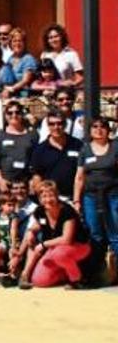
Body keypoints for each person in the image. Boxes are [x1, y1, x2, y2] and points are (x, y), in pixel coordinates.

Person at [17, 181, 90, 289]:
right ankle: (26, 275)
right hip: (55, 248)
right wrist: (30, 232)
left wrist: (43, 244)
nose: (48, 200)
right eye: (44, 196)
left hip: (78, 246)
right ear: (40, 199)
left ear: (57, 196)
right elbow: (36, 226)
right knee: (39, 281)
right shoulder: (40, 211)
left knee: (58, 254)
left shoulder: (67, 210)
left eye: (51, 195)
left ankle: (76, 280)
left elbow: (67, 239)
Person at [72, 116, 118, 273]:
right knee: (95, 232)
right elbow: (79, 177)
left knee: (115, 231)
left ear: (108, 130)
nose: (99, 130)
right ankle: (97, 270)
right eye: (95, 127)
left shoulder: (115, 147)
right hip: (91, 197)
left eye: (102, 126)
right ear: (90, 130)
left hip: (113, 195)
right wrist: (77, 200)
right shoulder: (85, 149)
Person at [30, 110, 84, 199]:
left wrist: (77, 200)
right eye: (52, 124)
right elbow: (37, 177)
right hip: (50, 199)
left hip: (75, 198)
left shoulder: (78, 145)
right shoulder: (40, 150)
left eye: (60, 123)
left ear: (65, 124)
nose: (56, 127)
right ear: (47, 126)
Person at [0, 101, 38, 193]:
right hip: (6, 182)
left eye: (17, 112)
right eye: (10, 113)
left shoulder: (32, 134)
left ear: (22, 114)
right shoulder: (0, 134)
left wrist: (33, 180)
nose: (14, 115)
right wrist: (1, 181)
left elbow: (37, 159)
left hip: (25, 184)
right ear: (5, 115)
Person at [40, 23, 83, 87]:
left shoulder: (71, 54)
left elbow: (80, 77)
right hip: (48, 91)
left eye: (56, 36)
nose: (53, 40)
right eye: (50, 38)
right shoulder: (44, 55)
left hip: (65, 92)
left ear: (62, 37)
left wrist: (72, 84)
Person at [4, 27, 38, 95]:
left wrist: (11, 89)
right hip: (11, 93)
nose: (17, 43)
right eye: (14, 41)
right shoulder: (10, 58)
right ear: (10, 43)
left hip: (24, 95)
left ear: (24, 43)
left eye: (20, 41)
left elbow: (25, 80)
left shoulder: (28, 59)